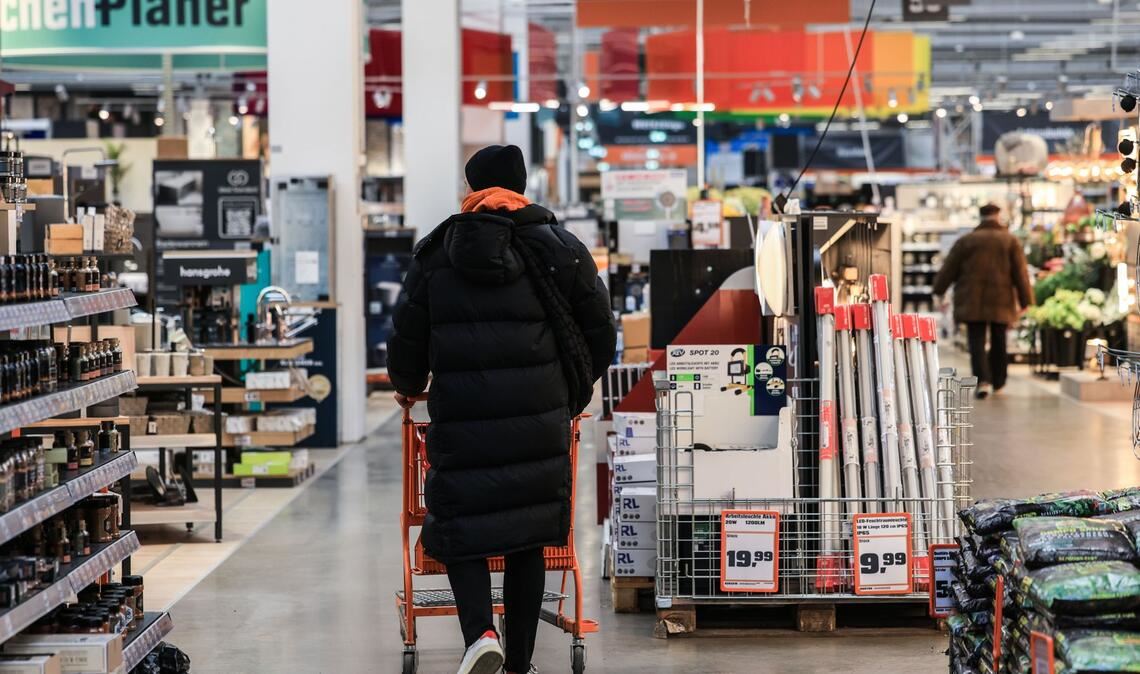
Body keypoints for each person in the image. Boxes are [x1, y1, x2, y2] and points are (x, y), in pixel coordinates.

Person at [387, 144, 617, 674]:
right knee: (527, 537)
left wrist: (407, 385)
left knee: (459, 526)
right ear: (521, 186)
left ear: (471, 189)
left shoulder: (436, 253)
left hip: (462, 419)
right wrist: (570, 391)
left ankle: (480, 636)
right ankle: (519, 664)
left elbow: (407, 338)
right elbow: (601, 332)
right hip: (538, 421)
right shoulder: (561, 248)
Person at [933, 203, 1033, 399]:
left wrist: (938, 289)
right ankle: (999, 381)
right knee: (999, 338)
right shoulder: (1010, 241)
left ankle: (983, 381)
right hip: (1001, 299)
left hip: (973, 299)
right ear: (998, 216)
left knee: (976, 340)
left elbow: (949, 269)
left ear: (980, 217)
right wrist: (1025, 300)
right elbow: (1020, 273)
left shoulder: (966, 241)